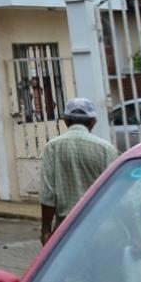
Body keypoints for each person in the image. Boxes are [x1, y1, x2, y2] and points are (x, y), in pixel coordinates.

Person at [40, 97, 119, 244]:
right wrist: (135, 235)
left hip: (66, 230)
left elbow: (48, 194)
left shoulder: (52, 147)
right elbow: (118, 193)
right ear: (93, 122)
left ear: (65, 121)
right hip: (102, 227)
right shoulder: (106, 149)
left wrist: (46, 230)